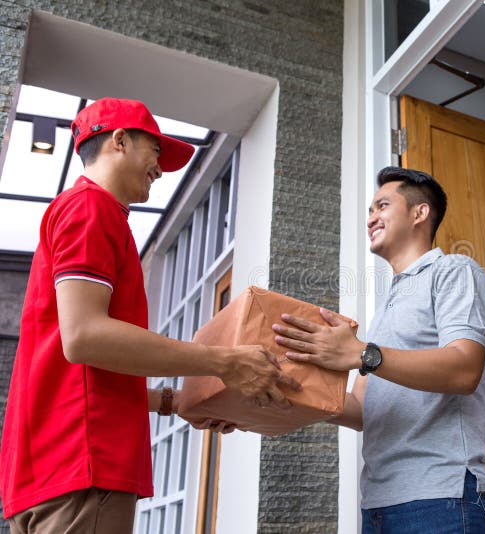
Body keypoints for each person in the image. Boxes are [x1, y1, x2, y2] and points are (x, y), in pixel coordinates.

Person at [0, 98, 301, 533]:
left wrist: (173, 402)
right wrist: (225, 362)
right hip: (84, 465)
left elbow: (84, 372)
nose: (160, 169)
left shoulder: (80, 209)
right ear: (119, 141)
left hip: (54, 467)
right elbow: (84, 337)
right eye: (155, 151)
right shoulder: (92, 207)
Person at [272, 166, 485, 533]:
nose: (370, 218)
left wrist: (362, 354)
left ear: (419, 213)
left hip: (444, 497)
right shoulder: (385, 309)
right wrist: (287, 390)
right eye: (369, 210)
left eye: (382, 206)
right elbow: (362, 410)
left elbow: (464, 369)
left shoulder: (454, 271)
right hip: (379, 506)